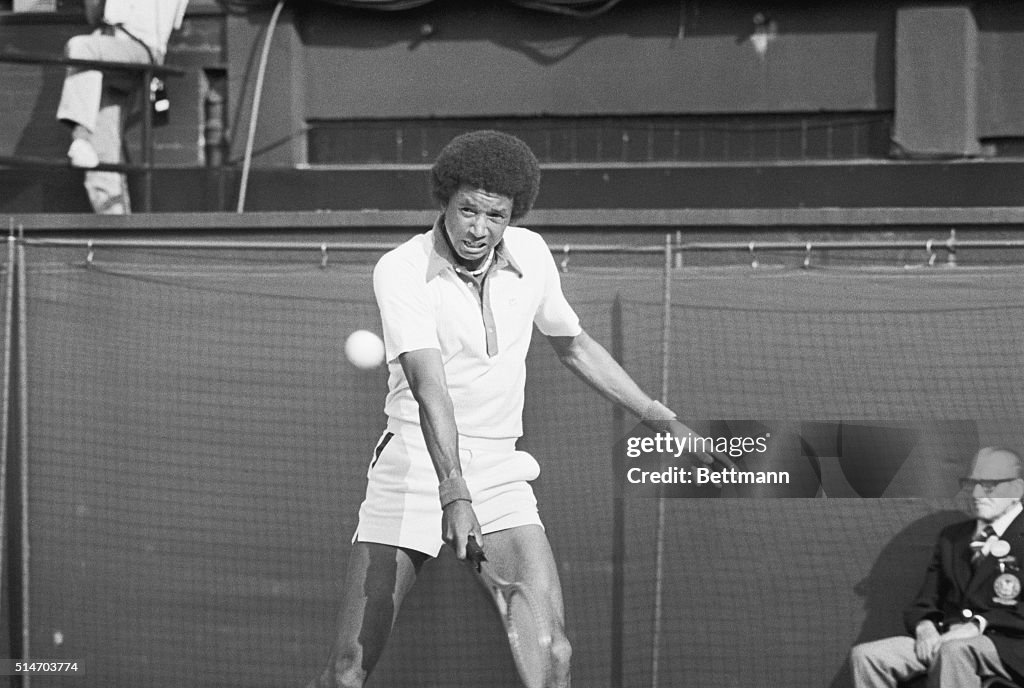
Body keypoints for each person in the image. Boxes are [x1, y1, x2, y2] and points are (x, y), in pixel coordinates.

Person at [307, 130, 716, 688]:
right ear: (444, 202)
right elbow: (431, 389)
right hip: (415, 468)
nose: (478, 228)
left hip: (500, 472)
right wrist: (453, 492)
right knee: (349, 669)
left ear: (512, 215)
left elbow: (573, 343)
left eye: (494, 215)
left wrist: (659, 417)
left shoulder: (533, 254)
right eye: (467, 210)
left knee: (554, 655)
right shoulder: (400, 270)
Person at [850, 446, 1024, 688]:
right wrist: (925, 628)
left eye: (988, 485)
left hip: (1010, 647)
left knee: (955, 651)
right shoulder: (952, 539)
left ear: (1017, 489)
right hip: (948, 639)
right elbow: (925, 602)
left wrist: (977, 625)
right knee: (868, 657)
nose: (975, 494)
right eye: (971, 483)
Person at [57, 0, 189, 214]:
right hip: (108, 53)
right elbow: (94, 13)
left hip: (139, 49)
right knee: (101, 157)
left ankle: (80, 136)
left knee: (80, 47)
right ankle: (117, 228)